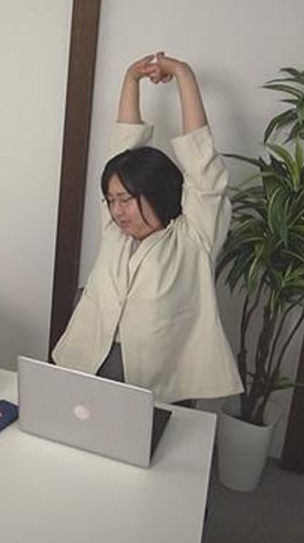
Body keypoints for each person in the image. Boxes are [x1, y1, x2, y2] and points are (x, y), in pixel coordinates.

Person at [51, 51, 243, 405]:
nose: (116, 210)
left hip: (160, 381)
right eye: (110, 200)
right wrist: (131, 79)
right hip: (90, 362)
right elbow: (122, 149)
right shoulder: (115, 232)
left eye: (125, 199)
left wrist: (183, 74)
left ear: (155, 190)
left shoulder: (193, 238)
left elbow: (203, 167)